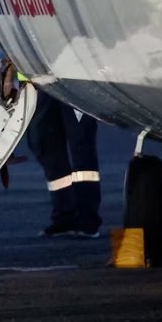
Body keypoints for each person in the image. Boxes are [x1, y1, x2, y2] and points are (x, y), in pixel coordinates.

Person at [26, 89, 102, 238]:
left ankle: (87, 220)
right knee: (44, 145)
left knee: (82, 149)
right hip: (37, 84)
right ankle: (64, 216)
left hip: (73, 81)